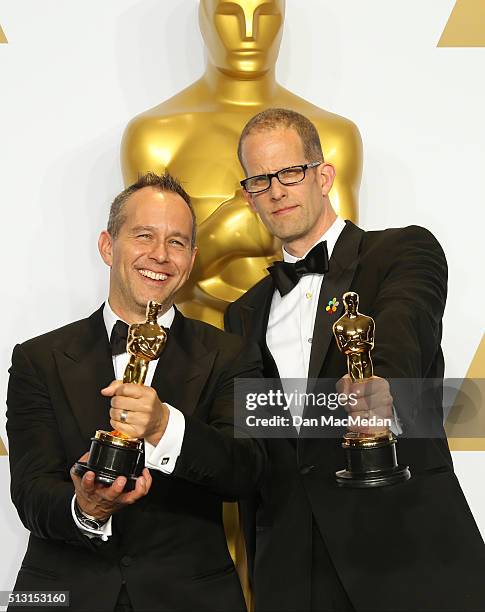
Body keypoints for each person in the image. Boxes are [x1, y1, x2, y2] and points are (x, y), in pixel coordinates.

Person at [224, 108, 485, 612]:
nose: (276, 190)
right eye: (260, 180)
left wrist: (380, 383)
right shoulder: (244, 312)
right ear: (249, 196)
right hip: (293, 573)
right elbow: (257, 450)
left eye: (290, 172)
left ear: (324, 176)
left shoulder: (402, 251)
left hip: (406, 549)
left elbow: (404, 325)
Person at [6, 172, 265, 612]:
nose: (160, 255)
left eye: (177, 242)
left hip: (192, 598)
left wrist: (166, 428)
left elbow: (247, 471)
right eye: (144, 235)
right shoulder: (38, 358)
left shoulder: (232, 354)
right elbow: (30, 492)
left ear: (193, 257)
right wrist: (85, 507)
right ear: (108, 246)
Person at [121, 0, 362, 328]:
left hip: (303, 356)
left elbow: (342, 272)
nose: (250, 34)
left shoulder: (333, 136)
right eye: (230, 14)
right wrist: (221, 237)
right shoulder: (156, 137)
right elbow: (144, 280)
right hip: (199, 355)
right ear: (203, 19)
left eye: (264, 14)